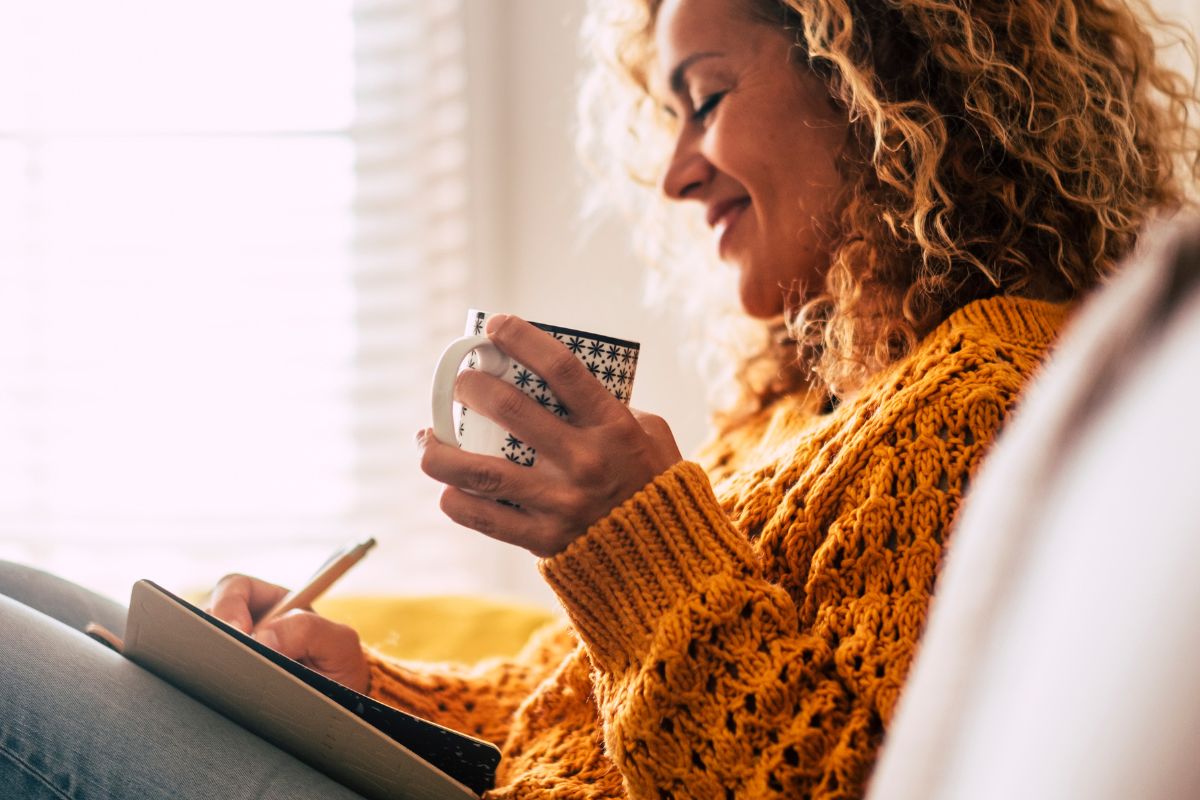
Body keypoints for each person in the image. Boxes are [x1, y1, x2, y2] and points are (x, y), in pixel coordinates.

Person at [1, 0, 1196, 798]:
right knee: (32, 592)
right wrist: (360, 690)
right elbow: (583, 709)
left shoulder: (988, 395)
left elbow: (823, 777)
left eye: (707, 97)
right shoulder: (808, 403)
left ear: (877, 80)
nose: (677, 170)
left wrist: (630, 536)